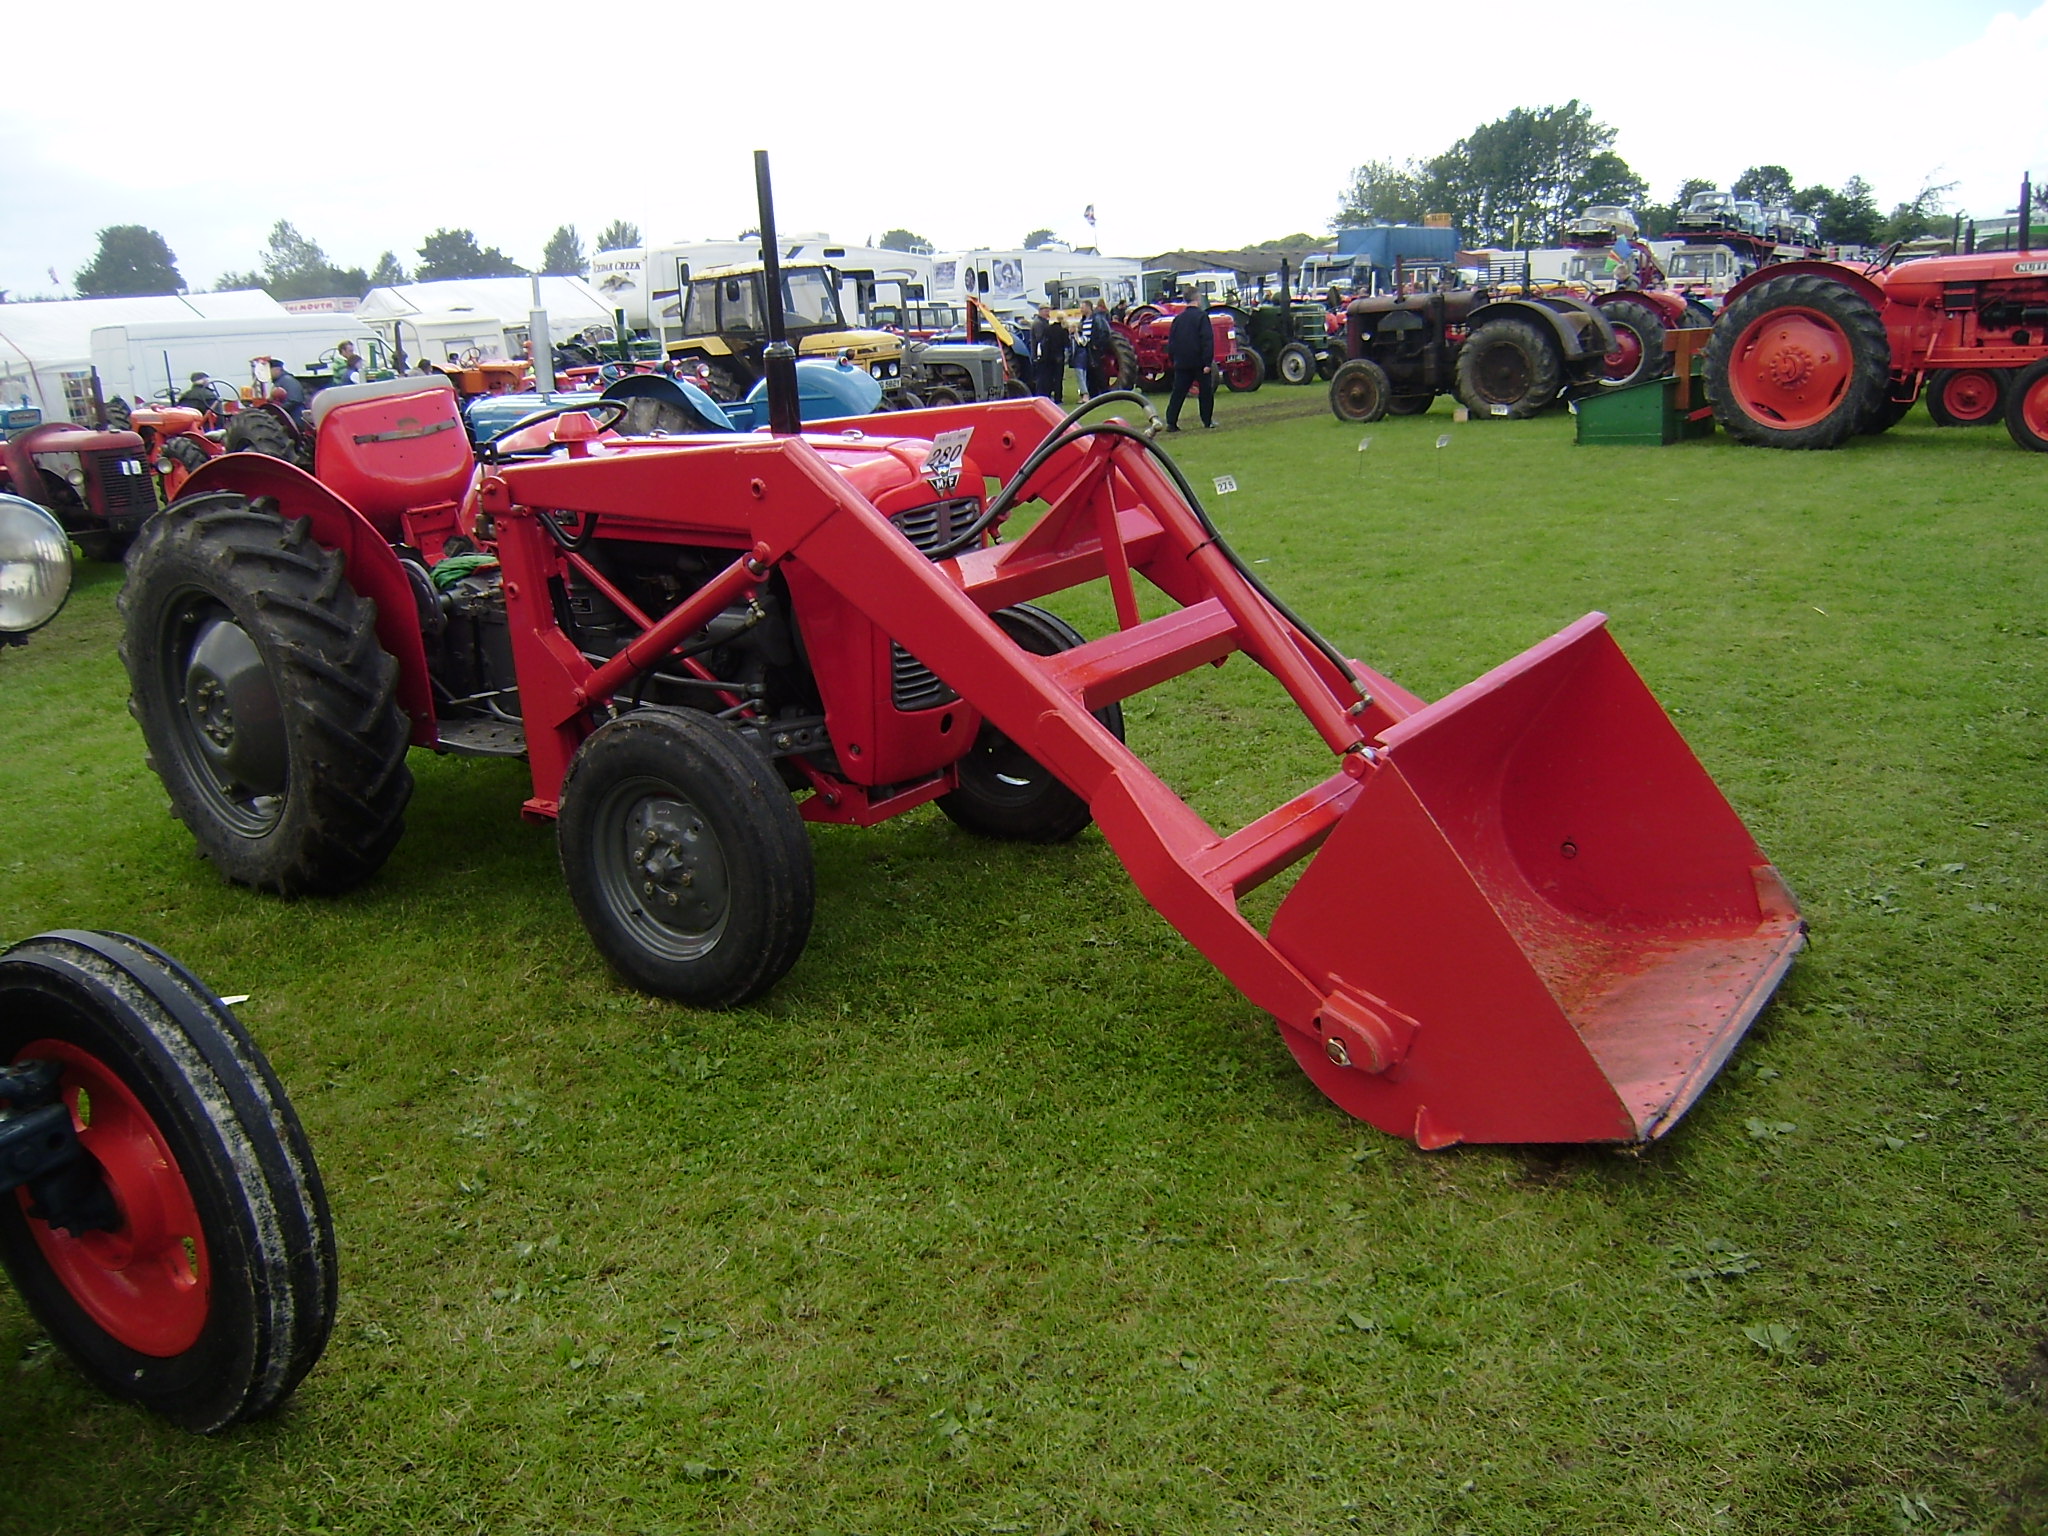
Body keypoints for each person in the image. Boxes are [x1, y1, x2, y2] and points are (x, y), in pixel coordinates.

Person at [1164, 293, 1215, 431]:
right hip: (1199, 361)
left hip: (1182, 362)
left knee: (1178, 393)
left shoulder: (1178, 319)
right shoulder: (1202, 317)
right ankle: (1207, 420)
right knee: (1205, 392)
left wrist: (1173, 359)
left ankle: (1171, 422)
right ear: (1197, 299)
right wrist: (1207, 362)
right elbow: (1207, 340)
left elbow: (1172, 342)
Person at [1030, 302, 1066, 404]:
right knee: (1042, 378)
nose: (1048, 313)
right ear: (1040, 311)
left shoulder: (1044, 322)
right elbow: (1040, 339)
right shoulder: (1038, 323)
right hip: (1040, 356)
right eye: (1046, 311)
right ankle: (1041, 397)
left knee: (1047, 378)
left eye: (1048, 310)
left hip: (1045, 355)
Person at [1078, 300, 1113, 398]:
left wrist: (1097, 345)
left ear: (1088, 307)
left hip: (1094, 349)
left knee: (1098, 371)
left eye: (1083, 307)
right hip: (1086, 349)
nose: (1081, 309)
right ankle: (1093, 394)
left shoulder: (1097, 318)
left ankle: (1105, 392)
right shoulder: (1083, 320)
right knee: (1090, 373)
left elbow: (1104, 332)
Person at [266, 357, 306, 422]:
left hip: (295, 417)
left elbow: (295, 400)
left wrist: (278, 411)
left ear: (278, 369)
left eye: (269, 370)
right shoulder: (279, 382)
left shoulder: (287, 380)